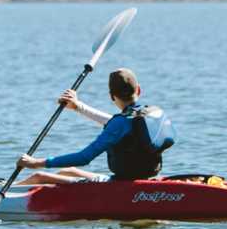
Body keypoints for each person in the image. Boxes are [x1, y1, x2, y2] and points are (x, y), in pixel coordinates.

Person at [17, 68, 174, 185]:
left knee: (39, 177)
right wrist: (78, 106)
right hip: (145, 178)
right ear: (139, 90)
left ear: (111, 96)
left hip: (121, 186)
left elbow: (84, 158)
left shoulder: (120, 123)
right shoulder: (148, 115)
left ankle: (0, 197)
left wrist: (36, 163)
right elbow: (115, 124)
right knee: (68, 172)